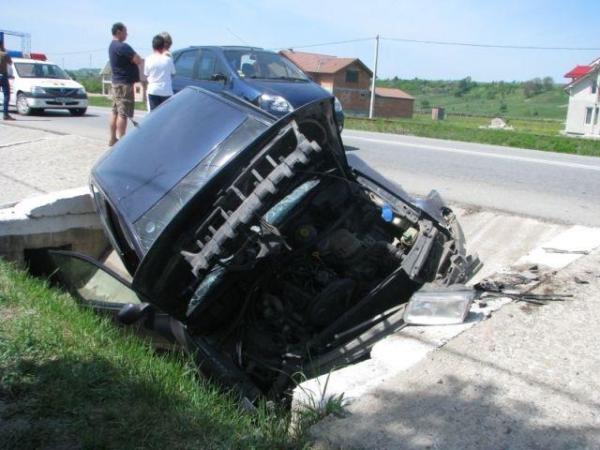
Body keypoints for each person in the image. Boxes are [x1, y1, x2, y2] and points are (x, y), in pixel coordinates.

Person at [108, 22, 142, 146]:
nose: (127, 34)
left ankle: (112, 138)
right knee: (123, 113)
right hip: (124, 84)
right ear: (118, 32)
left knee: (115, 111)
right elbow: (137, 59)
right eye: (125, 32)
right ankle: (121, 141)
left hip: (116, 82)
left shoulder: (111, 46)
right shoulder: (122, 47)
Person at [144, 35, 176, 111]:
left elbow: (146, 74)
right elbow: (173, 73)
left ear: (153, 46)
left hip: (153, 90)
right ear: (163, 46)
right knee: (165, 115)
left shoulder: (148, 59)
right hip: (166, 91)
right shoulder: (168, 59)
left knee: (153, 115)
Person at [0, 41, 15, 121]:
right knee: (6, 95)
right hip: (2, 76)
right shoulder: (4, 54)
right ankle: (5, 115)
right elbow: (10, 62)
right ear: (2, 45)